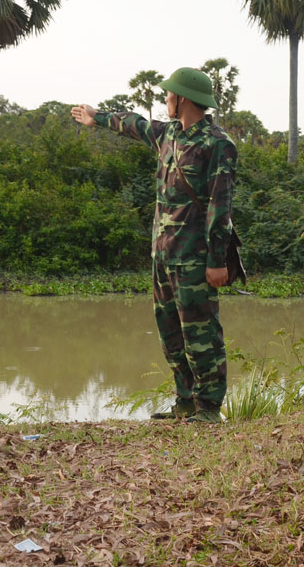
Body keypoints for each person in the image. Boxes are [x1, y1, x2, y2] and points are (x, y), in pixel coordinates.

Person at [71, 68, 238, 425]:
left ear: (184, 99)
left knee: (201, 334)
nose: (165, 100)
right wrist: (96, 117)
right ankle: (186, 402)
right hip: (163, 256)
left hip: (195, 259)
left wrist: (216, 260)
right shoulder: (168, 134)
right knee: (171, 334)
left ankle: (209, 408)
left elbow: (220, 207)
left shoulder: (217, 144)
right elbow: (132, 123)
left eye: (169, 95)